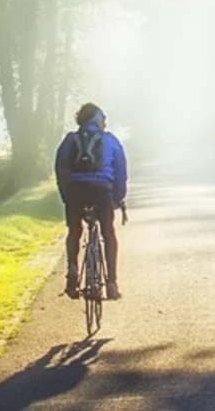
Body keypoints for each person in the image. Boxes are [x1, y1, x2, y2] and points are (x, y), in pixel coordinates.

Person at [55, 103, 128, 301]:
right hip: (102, 191)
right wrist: (117, 198)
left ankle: (72, 271)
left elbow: (61, 171)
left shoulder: (70, 141)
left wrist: (66, 197)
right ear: (97, 119)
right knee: (108, 233)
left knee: (74, 232)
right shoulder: (110, 140)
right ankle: (111, 283)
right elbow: (120, 172)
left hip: (75, 191)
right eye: (103, 118)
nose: (105, 123)